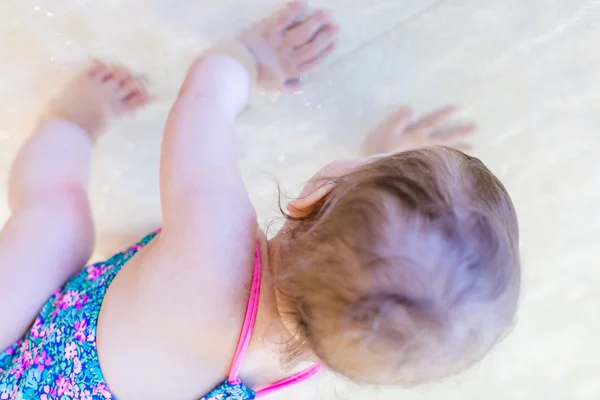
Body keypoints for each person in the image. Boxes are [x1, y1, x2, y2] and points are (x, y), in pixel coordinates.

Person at [0, 1, 520, 399]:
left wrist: (251, 55)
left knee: (57, 224)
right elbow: (368, 269)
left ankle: (71, 122)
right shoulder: (305, 366)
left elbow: (205, 100)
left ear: (315, 194)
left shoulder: (212, 240)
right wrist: (374, 179)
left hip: (16, 369)